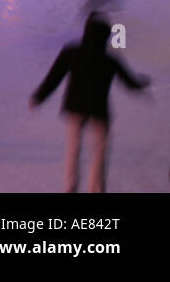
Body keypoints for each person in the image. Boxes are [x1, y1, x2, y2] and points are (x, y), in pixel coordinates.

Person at [30, 13, 149, 192]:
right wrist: (143, 83)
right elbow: (130, 83)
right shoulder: (110, 60)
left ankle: (71, 187)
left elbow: (54, 77)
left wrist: (40, 96)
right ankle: (97, 189)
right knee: (99, 152)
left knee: (73, 150)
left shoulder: (72, 52)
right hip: (99, 111)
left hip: (75, 109)